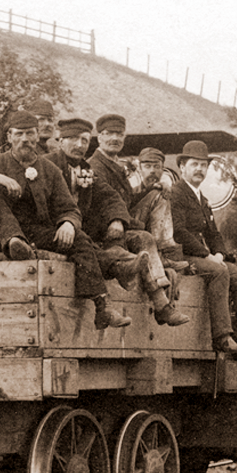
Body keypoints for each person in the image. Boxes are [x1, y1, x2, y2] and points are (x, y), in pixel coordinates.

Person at [0, 110, 130, 330]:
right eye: (19, 134)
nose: (25, 139)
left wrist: (68, 223)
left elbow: (69, 208)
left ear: (37, 136)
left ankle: (101, 306)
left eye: (30, 134)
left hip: (36, 232)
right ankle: (14, 243)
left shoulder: (50, 170)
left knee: (80, 238)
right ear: (9, 136)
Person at [44, 118, 188, 327]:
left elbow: (110, 197)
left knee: (129, 237)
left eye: (84, 141)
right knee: (130, 241)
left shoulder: (86, 168)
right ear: (60, 140)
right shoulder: (49, 165)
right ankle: (133, 274)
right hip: (61, 228)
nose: (79, 145)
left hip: (84, 230)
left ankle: (142, 278)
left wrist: (118, 220)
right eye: (73, 139)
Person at [166, 140, 237, 356]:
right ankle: (222, 337)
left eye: (203, 165)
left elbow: (213, 233)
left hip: (201, 255)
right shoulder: (176, 193)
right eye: (194, 164)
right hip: (182, 255)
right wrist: (207, 255)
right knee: (218, 271)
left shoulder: (202, 199)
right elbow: (179, 232)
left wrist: (219, 253)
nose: (199, 169)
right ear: (182, 167)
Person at [87, 116, 187, 271]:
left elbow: (127, 200)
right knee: (144, 236)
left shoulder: (114, 164)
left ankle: (165, 253)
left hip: (122, 221)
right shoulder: (94, 166)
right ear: (99, 137)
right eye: (109, 133)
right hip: (108, 229)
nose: (115, 138)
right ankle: (159, 273)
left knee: (159, 192)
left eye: (119, 134)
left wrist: (153, 189)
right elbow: (106, 204)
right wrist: (139, 225)